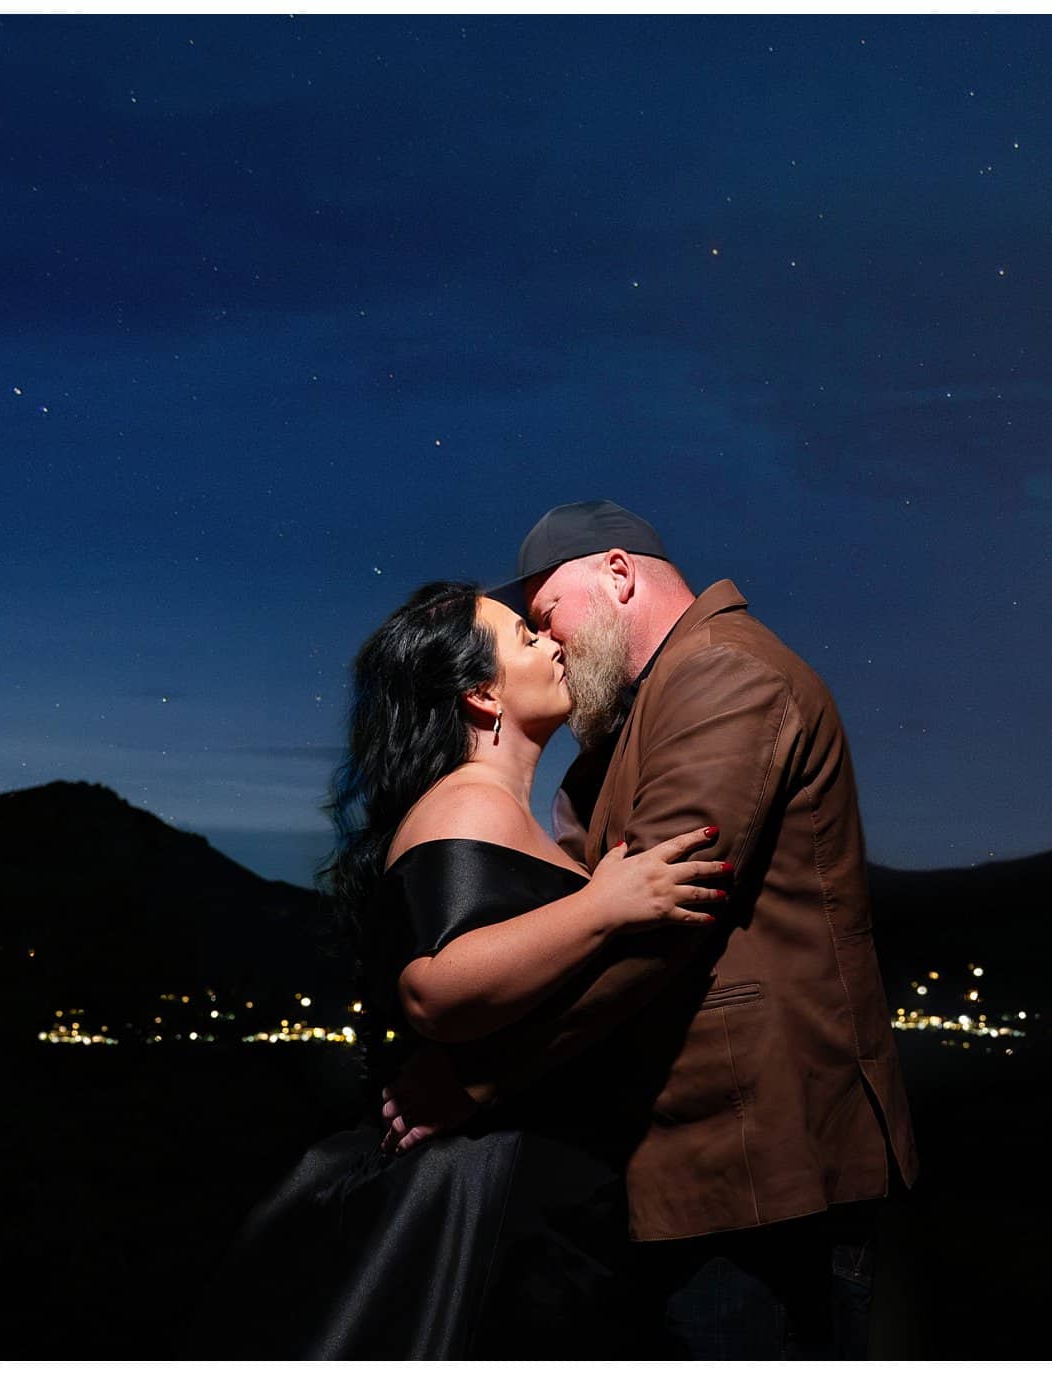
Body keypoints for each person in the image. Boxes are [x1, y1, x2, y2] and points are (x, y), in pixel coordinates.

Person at [379, 501, 922, 1359]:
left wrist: (482, 1083)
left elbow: (665, 925)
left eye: (547, 612)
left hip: (757, 1167)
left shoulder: (721, 674)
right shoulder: (641, 713)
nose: (550, 638)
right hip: (696, 1176)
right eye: (530, 632)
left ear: (619, 574)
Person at [189, 579, 729, 1358]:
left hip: (532, 1192)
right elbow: (435, 988)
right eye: (524, 636)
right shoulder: (468, 803)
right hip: (485, 1204)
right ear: (482, 693)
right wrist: (604, 904)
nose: (554, 642)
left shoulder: (497, 813)